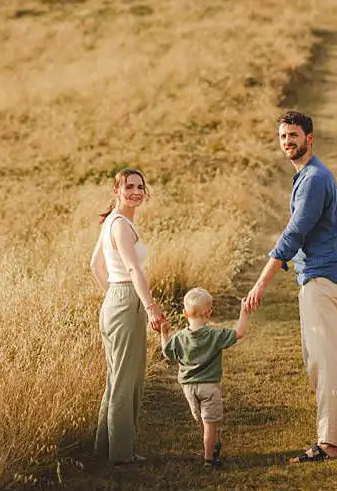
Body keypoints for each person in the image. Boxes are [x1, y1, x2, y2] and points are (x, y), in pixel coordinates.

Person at [243, 110, 337, 463]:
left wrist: (261, 283)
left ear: (310, 138)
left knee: (323, 362)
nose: (287, 142)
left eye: (294, 135)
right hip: (314, 277)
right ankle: (336, 435)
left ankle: (329, 444)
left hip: (322, 277)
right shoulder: (306, 176)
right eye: (283, 137)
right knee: (316, 360)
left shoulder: (315, 179)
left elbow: (294, 234)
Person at [90, 168, 168, 465]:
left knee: (116, 378)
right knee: (127, 380)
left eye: (139, 187)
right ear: (117, 191)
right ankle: (122, 455)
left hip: (115, 299)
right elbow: (134, 269)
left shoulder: (111, 222)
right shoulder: (120, 224)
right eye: (129, 187)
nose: (136, 191)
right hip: (125, 301)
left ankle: (105, 449)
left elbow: (95, 266)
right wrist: (150, 308)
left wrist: (112, 292)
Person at [160, 287, 250, 468]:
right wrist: (244, 312)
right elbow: (239, 333)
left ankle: (212, 446)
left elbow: (168, 353)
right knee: (210, 425)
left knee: (202, 421)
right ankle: (209, 460)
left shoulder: (179, 338)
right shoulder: (214, 336)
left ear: (185, 313)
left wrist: (164, 334)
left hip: (188, 388)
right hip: (209, 387)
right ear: (208, 313)